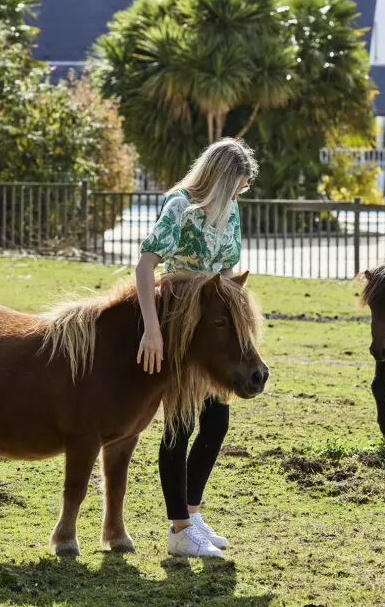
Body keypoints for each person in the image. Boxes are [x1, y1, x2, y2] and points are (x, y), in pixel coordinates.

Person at [135, 137, 257, 557]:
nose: (240, 192)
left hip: (211, 327)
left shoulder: (231, 211)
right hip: (180, 320)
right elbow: (146, 264)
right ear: (221, 176)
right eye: (237, 183)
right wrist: (152, 330)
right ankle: (179, 528)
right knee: (179, 426)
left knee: (216, 422)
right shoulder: (179, 206)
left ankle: (192, 512)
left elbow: (225, 271)